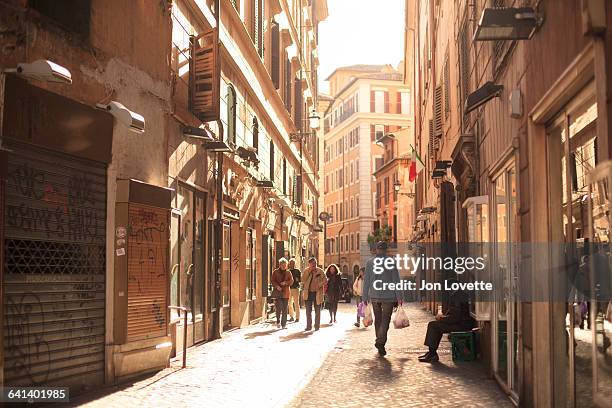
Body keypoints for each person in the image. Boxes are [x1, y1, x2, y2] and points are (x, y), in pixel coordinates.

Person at [362, 241, 402, 356]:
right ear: (386, 250)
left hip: (374, 296)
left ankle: (380, 343)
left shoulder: (370, 263)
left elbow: (366, 281)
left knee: (378, 320)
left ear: (376, 250)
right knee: (385, 320)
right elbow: (396, 280)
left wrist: (364, 297)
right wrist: (399, 297)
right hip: (388, 297)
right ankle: (380, 342)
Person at [419, 283, 476, 363]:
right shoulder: (459, 295)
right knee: (436, 326)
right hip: (462, 323)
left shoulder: (457, 297)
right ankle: (431, 353)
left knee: (433, 325)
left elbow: (455, 318)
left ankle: (432, 354)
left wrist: (441, 319)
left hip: (461, 325)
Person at [301, 257, 326, 331]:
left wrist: (319, 285)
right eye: (312, 264)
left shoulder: (320, 271)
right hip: (308, 293)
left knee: (317, 311)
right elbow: (303, 280)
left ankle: (317, 326)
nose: (313, 265)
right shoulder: (306, 271)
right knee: (308, 311)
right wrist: (309, 271)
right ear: (309, 264)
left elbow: (325, 280)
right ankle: (309, 326)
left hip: (317, 293)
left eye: (315, 264)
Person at [271, 258, 294, 329]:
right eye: (282, 265)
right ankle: (278, 321)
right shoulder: (275, 272)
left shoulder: (288, 272)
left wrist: (286, 283)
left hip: (286, 293)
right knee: (279, 308)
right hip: (278, 292)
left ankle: (283, 324)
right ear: (280, 265)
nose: (284, 266)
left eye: (285, 265)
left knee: (284, 309)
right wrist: (277, 286)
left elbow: (291, 281)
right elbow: (272, 281)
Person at [287, 258, 302, 323]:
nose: (292, 264)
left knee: (296, 303)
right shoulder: (287, 271)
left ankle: (297, 317)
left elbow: (300, 280)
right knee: (289, 303)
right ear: (289, 264)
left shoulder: (297, 271)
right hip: (289, 288)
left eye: (293, 263)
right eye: (290, 263)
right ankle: (291, 316)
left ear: (294, 264)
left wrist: (297, 280)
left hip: (295, 288)